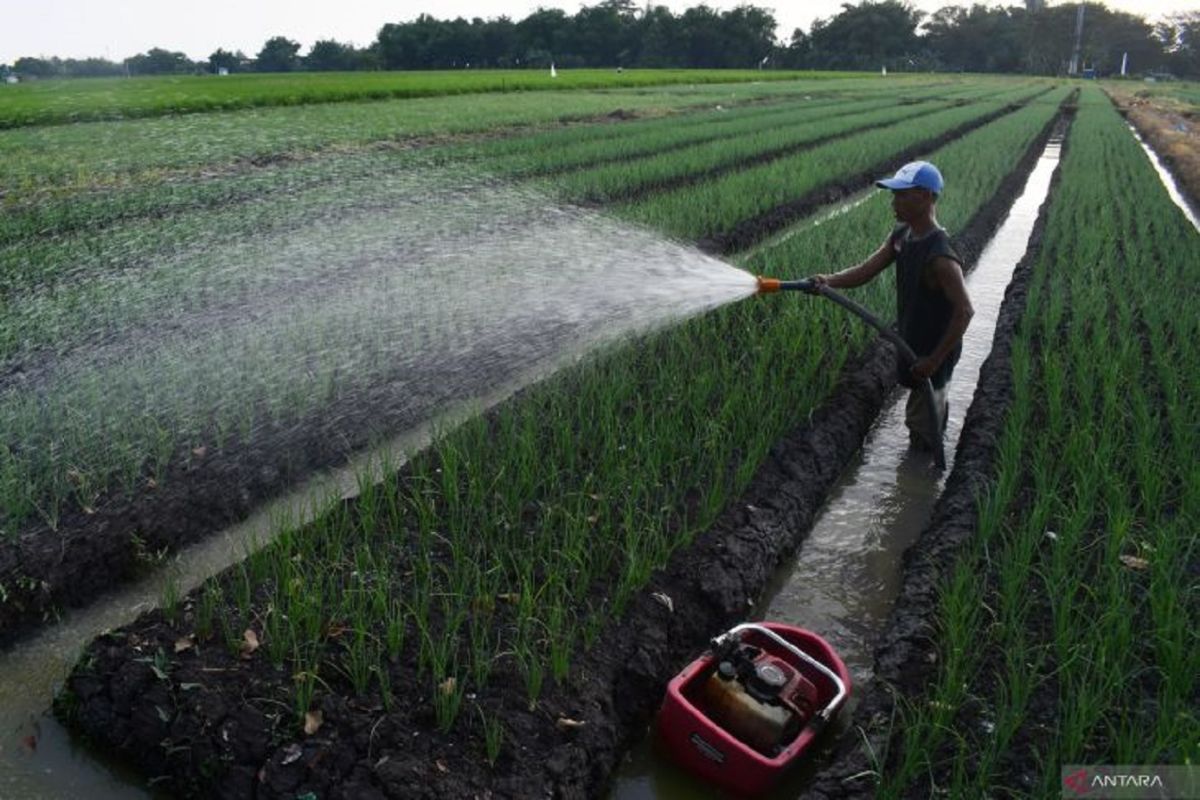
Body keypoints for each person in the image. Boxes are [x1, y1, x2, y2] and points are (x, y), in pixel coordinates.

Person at [807, 161, 973, 452]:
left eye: (901, 195)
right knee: (921, 412)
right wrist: (828, 281)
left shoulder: (941, 257)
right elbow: (865, 271)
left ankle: (923, 472)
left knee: (923, 427)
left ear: (924, 197)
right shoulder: (901, 236)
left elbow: (965, 312)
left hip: (934, 351)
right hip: (912, 341)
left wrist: (933, 360)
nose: (893, 202)